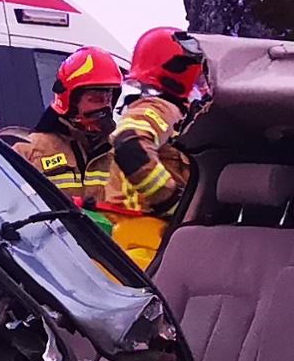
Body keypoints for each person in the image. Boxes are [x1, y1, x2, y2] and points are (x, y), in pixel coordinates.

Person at [83, 27, 204, 269]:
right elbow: (129, 144)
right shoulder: (160, 108)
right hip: (142, 243)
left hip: (143, 241)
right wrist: (171, 200)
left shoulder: (173, 112)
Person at [10, 46, 125, 226]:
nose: (105, 108)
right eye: (95, 99)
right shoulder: (29, 151)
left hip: (106, 251)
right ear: (69, 101)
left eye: (108, 98)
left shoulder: (118, 155)